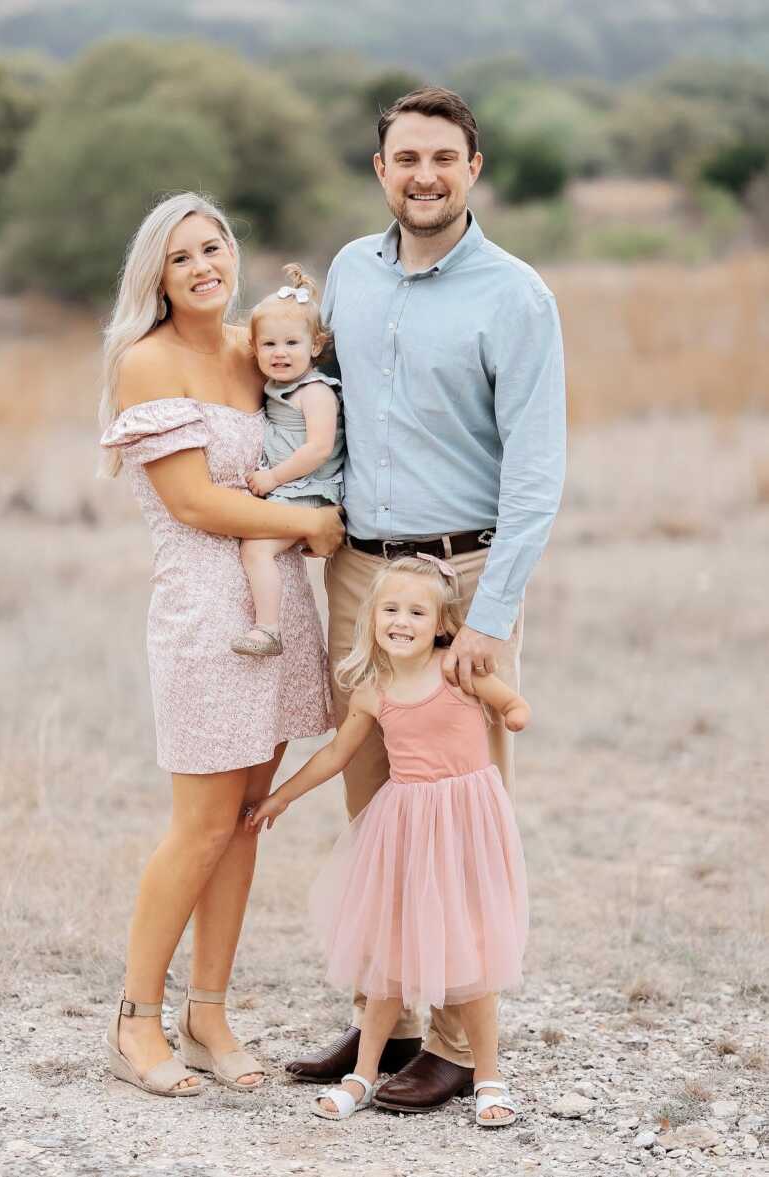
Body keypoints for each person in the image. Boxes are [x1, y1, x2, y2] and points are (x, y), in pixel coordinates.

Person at [286, 86, 566, 1112]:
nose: (425, 175)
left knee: (455, 811)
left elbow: (537, 472)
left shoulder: (516, 297)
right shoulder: (351, 275)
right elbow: (317, 403)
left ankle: (455, 1042)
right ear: (380, 170)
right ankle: (387, 1021)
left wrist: (490, 615)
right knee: (377, 805)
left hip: (462, 581)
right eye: (406, 157)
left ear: (473, 168)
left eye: (443, 157)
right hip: (363, 574)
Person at [97, 193, 343, 1098]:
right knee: (199, 824)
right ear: (154, 277)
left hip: (279, 607)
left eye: (216, 246)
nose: (205, 266)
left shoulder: (259, 346)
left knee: (244, 819)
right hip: (207, 614)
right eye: (181, 257)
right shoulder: (146, 361)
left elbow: (323, 409)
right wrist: (309, 524)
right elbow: (195, 503)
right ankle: (134, 1021)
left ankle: (208, 1013)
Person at [249, 556, 530, 1124]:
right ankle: (364, 1074)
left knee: (471, 952)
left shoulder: (458, 669)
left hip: (464, 824)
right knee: (389, 953)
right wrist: (281, 796)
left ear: (441, 621)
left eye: (417, 612)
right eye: (390, 610)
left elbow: (509, 703)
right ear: (372, 617)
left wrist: (516, 712)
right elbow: (335, 754)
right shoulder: (373, 692)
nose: (401, 621)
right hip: (403, 828)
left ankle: (488, 1076)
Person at [231, 264, 344, 656]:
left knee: (255, 548)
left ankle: (268, 629)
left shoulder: (314, 392)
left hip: (310, 490)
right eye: (269, 345)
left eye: (292, 344)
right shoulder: (277, 386)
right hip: (291, 487)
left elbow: (319, 448)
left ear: (315, 346)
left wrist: (273, 478)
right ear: (255, 347)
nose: (280, 353)